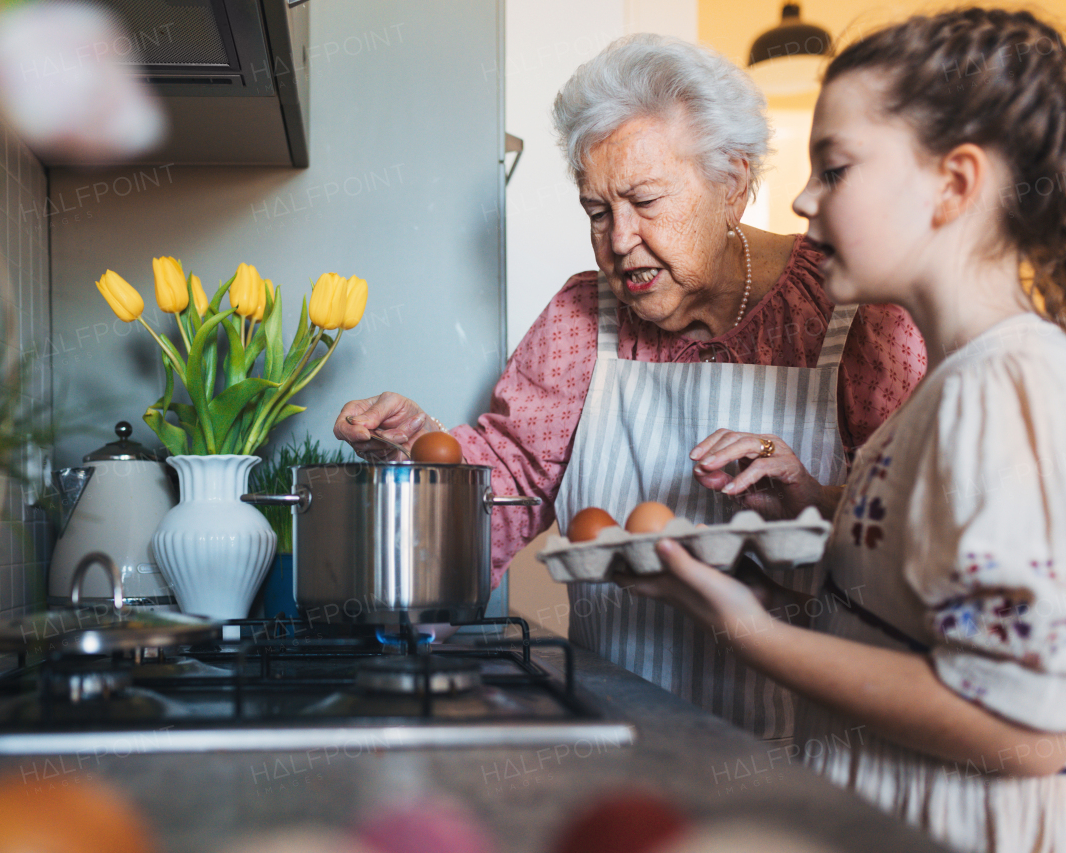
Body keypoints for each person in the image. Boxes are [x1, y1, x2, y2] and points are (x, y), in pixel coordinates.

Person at [617, 9, 1066, 852]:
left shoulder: (1009, 387)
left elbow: (1026, 727)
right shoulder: (956, 383)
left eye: (834, 168)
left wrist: (747, 628)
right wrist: (815, 516)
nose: (805, 200)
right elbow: (934, 613)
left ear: (954, 185)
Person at [334, 34, 926, 741]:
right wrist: (417, 456)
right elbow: (505, 485)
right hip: (616, 734)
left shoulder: (856, 311)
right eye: (597, 210)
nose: (618, 240)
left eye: (645, 201)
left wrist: (815, 497)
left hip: (808, 753)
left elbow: (914, 544)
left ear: (734, 183)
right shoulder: (582, 318)